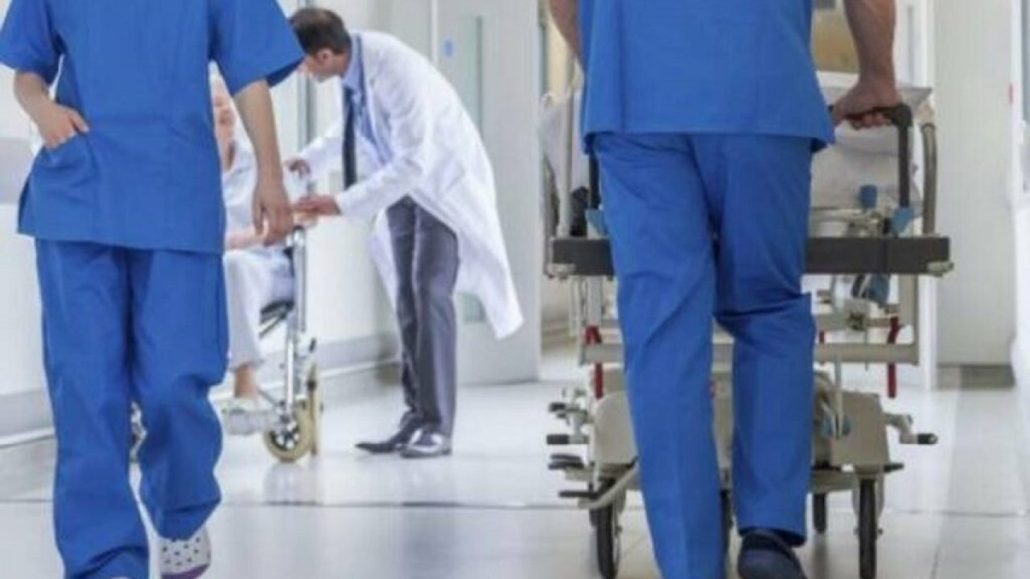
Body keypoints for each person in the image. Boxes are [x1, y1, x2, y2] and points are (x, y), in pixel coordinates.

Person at [547, 1, 900, 578]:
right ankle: (767, 533)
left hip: (635, 110)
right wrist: (877, 77)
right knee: (768, 310)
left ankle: (690, 564)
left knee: (663, 334)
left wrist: (619, 64)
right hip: (763, 93)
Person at [0, 1, 302, 577]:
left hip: (174, 192)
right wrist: (42, 109)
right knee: (87, 393)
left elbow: (249, 73)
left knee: (174, 384)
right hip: (79, 193)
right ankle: (103, 560)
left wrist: (269, 173)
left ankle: (181, 511)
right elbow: (27, 68)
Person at [286, 8, 523, 459]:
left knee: (429, 291)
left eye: (301, 63)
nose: (299, 72)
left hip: (439, 187)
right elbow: (351, 128)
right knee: (407, 299)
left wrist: (341, 203)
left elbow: (415, 162)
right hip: (400, 189)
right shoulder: (351, 70)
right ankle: (415, 415)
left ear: (324, 55)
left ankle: (438, 425)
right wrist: (309, 159)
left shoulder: (396, 70)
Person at [211, 76, 302, 436]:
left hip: (265, 269)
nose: (224, 110)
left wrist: (240, 239)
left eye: (225, 104)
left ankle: (245, 384)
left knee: (234, 264)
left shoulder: (262, 165)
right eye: (214, 105)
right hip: (206, 275)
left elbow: (296, 217)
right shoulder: (185, 171)